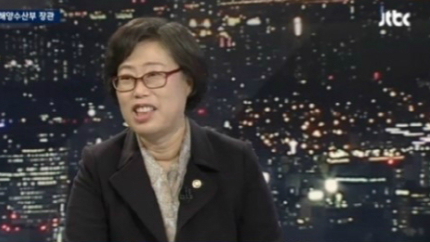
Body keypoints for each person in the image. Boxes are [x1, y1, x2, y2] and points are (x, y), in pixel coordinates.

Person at [64, 17, 282, 242]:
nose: (139, 91)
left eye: (153, 75)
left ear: (188, 82)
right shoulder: (98, 166)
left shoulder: (236, 160)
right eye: (127, 78)